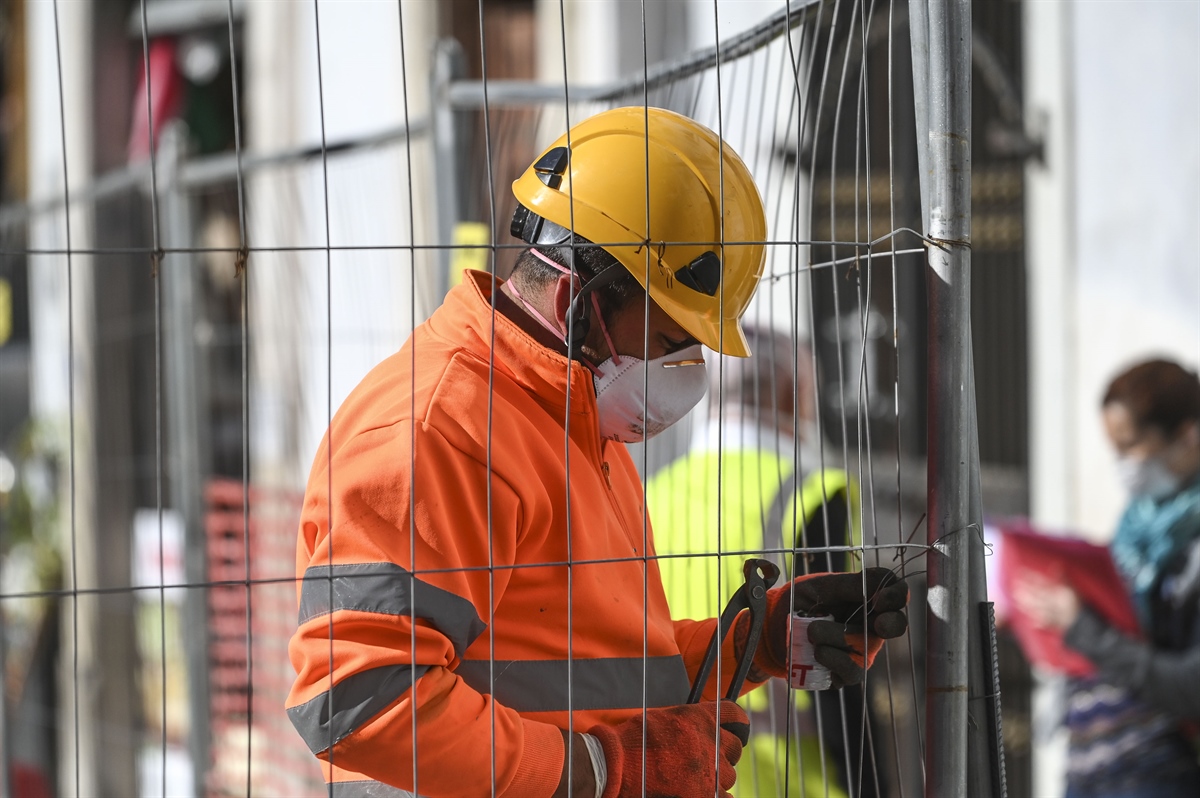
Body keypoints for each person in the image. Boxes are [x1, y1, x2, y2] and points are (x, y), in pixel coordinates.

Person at [285, 106, 909, 798]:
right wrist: (607, 770)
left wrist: (751, 645)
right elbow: (357, 703)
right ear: (573, 298)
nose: (688, 370)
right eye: (672, 341)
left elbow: (582, 667)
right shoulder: (438, 429)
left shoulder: (572, 423)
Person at [647, 326, 887, 798]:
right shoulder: (812, 494)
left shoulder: (649, 494)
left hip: (676, 772)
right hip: (794, 781)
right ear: (792, 392)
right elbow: (841, 659)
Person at [1014, 358, 1200, 798]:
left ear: (1189, 437)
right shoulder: (1135, 530)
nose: (1121, 465)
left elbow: (1190, 687)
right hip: (1093, 762)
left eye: (1131, 447)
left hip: (1157, 773)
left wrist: (1082, 628)